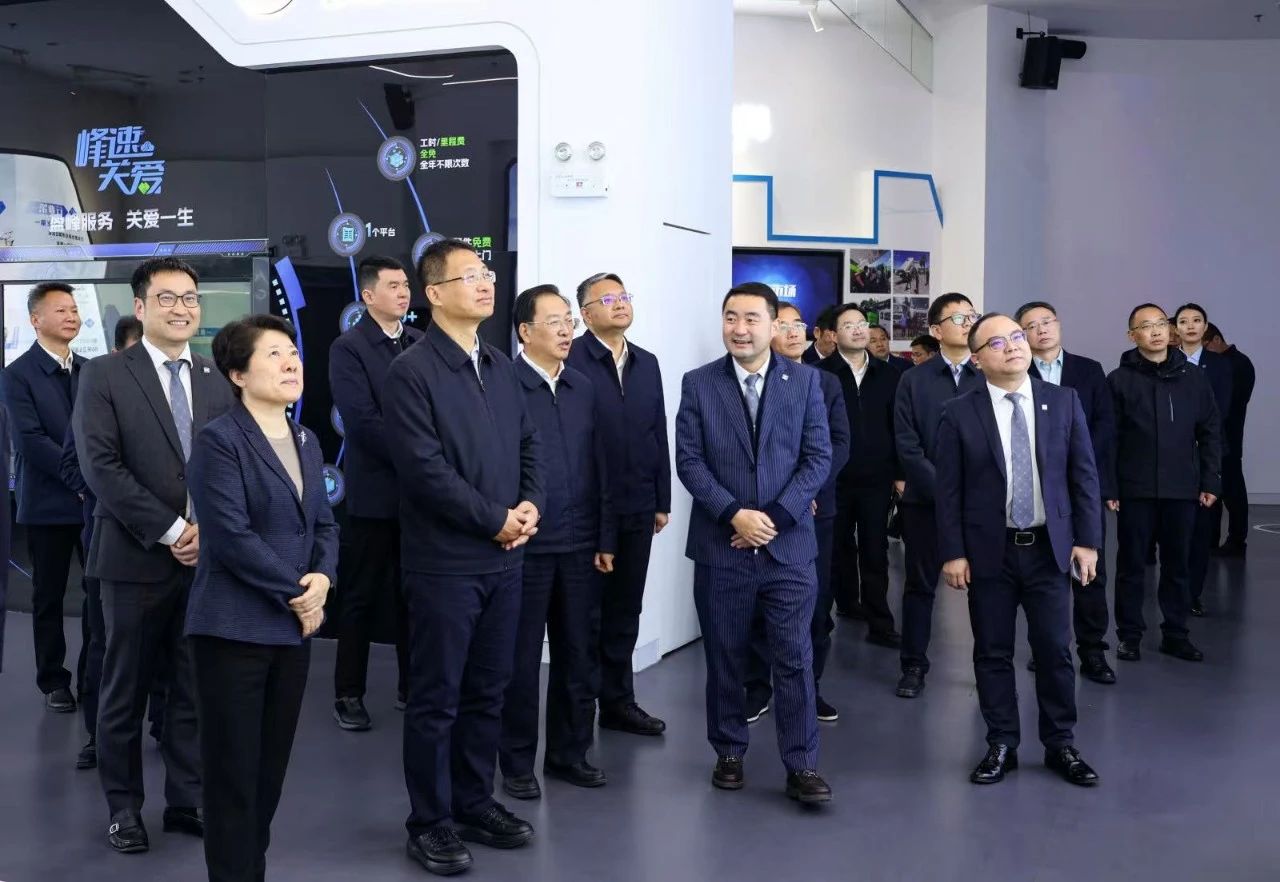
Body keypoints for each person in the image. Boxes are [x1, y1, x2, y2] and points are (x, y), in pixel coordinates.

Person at [385, 239, 544, 876]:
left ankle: (474, 801)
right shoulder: (411, 371)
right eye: (470, 275)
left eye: (487, 274)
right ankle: (429, 821)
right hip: (445, 564)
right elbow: (424, 471)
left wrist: (528, 505)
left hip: (506, 561)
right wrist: (494, 520)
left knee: (488, 690)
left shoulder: (500, 364)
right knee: (437, 699)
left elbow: (530, 444)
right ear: (434, 294)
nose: (485, 283)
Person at [74, 257, 236, 853]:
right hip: (133, 559)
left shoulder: (216, 378)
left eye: (190, 297)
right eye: (166, 298)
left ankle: (186, 800)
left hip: (205, 562)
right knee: (125, 687)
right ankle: (123, 807)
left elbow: (230, 465)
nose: (181, 308)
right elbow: (101, 468)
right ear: (140, 307)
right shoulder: (104, 374)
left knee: (191, 685)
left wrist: (208, 530)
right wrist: (173, 530)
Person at [184, 315, 338, 882]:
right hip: (232, 630)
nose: (291, 361)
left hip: (292, 632)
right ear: (238, 373)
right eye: (274, 353)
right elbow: (231, 538)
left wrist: (323, 579)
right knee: (232, 777)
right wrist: (300, 592)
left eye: (292, 351)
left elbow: (324, 525)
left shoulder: (307, 439)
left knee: (269, 773)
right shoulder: (219, 441)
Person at [675, 283, 833, 804]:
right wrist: (734, 515)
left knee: (794, 658)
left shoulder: (805, 381)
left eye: (750, 319)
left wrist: (774, 519)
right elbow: (690, 461)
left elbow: (817, 457)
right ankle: (728, 751)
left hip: (789, 549)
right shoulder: (699, 383)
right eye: (730, 317)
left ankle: (802, 764)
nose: (739, 329)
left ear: (774, 325)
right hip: (722, 548)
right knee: (725, 657)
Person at [935, 314, 1101, 787]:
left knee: (1055, 650)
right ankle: (1002, 742)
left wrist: (1087, 541)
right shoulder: (959, 412)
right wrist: (953, 552)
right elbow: (948, 491)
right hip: (990, 552)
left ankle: (1061, 743)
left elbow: (1084, 476)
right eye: (997, 342)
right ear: (977, 359)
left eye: (1016, 336)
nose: (1012, 346)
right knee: (992, 651)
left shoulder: (1063, 401)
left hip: (1049, 549)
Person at [499, 284, 615, 800]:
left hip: (580, 543)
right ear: (525, 332)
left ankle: (570, 754)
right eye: (554, 321)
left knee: (578, 655)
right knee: (520, 661)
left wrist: (605, 535)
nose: (567, 329)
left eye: (569, 319)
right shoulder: (503, 384)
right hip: (524, 546)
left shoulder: (582, 386)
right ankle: (516, 762)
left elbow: (600, 465)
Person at [566, 272, 670, 736]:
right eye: (608, 299)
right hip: (588, 510)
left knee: (626, 611)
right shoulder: (572, 359)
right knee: (586, 616)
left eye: (624, 295)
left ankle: (619, 702)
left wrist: (661, 499)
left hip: (638, 506)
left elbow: (657, 431)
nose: (620, 303)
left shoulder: (647, 362)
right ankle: (579, 708)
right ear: (586, 314)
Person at [743, 296, 849, 723]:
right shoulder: (749, 380)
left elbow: (837, 445)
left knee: (815, 603)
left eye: (797, 323)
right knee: (756, 602)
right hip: (757, 514)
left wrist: (806, 492)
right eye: (782, 324)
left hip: (814, 510)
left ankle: (810, 686)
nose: (791, 332)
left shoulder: (825, 382)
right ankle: (756, 687)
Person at [330, 255, 422, 731]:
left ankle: (412, 685)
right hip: (374, 496)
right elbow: (362, 422)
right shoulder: (350, 348)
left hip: (421, 498)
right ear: (368, 296)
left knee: (415, 596)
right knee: (360, 598)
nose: (404, 292)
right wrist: (423, 455)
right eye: (393, 285)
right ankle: (348, 693)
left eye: (406, 284)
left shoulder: (420, 341)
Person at [1108, 304, 1221, 664]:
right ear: (1132, 336)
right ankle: (1129, 635)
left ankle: (1176, 633)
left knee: (1178, 565)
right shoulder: (1119, 380)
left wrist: (1210, 479)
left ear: (1170, 331)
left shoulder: (1193, 377)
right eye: (1146, 326)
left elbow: (1210, 431)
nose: (1156, 331)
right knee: (1131, 566)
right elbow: (1108, 439)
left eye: (1161, 324)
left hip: (1182, 488)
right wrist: (1110, 487)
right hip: (1135, 489)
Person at [1016, 301, 1117, 685]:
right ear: (1022, 334)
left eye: (1047, 321)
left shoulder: (1088, 370)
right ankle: (1045, 649)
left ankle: (1093, 651)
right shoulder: (1017, 371)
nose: (1041, 329)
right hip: (1033, 488)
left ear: (1058, 325)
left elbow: (1105, 423)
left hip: (1079, 484)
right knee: (1042, 574)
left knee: (1090, 571)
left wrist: (1078, 456)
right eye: (1031, 325)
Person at [62, 315, 146, 770]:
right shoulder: (98, 391)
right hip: (110, 541)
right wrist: (107, 496)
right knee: (105, 643)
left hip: (174, 546)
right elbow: (72, 464)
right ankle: (98, 736)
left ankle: (165, 727)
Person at [0, 282, 87, 711]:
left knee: (99, 593)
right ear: (36, 320)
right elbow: (30, 441)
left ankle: (96, 675)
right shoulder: (16, 374)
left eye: (74, 309)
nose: (71, 316)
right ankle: (53, 680)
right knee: (49, 595)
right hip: (49, 504)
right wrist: (82, 478)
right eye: (61, 310)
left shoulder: (91, 370)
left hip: (95, 504)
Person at [893, 293, 984, 698]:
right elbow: (907, 445)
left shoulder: (990, 373)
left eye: (972, 316)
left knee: (988, 589)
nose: (968, 323)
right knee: (919, 586)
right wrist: (946, 493)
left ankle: (989, 667)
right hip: (925, 504)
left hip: (982, 506)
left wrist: (974, 494)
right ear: (935, 330)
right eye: (958, 318)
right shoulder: (913, 380)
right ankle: (913, 665)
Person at [819, 304, 902, 647]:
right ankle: (823, 621)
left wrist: (899, 473)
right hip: (831, 480)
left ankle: (880, 623)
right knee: (831, 550)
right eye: (848, 325)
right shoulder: (818, 374)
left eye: (861, 324)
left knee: (875, 550)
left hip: (876, 479)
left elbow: (899, 427)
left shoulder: (890, 374)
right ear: (832, 334)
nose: (858, 329)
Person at [1173, 303, 1233, 617]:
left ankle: (1192, 594)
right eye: (1184, 321)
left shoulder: (1220, 365)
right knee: (1173, 532)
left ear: (1206, 326)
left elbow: (1219, 410)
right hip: (1170, 456)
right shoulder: (1165, 360)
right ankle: (1171, 590)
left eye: (1197, 320)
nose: (1191, 326)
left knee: (1200, 531)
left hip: (1204, 453)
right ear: (1176, 328)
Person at [1204, 323, 1255, 557]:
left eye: (1205, 345)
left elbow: (1230, 403)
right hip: (1216, 438)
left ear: (1216, 340)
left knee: (1233, 492)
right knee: (1213, 491)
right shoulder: (1222, 363)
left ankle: (1237, 541)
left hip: (1229, 438)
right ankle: (1211, 540)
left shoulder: (1239, 364)